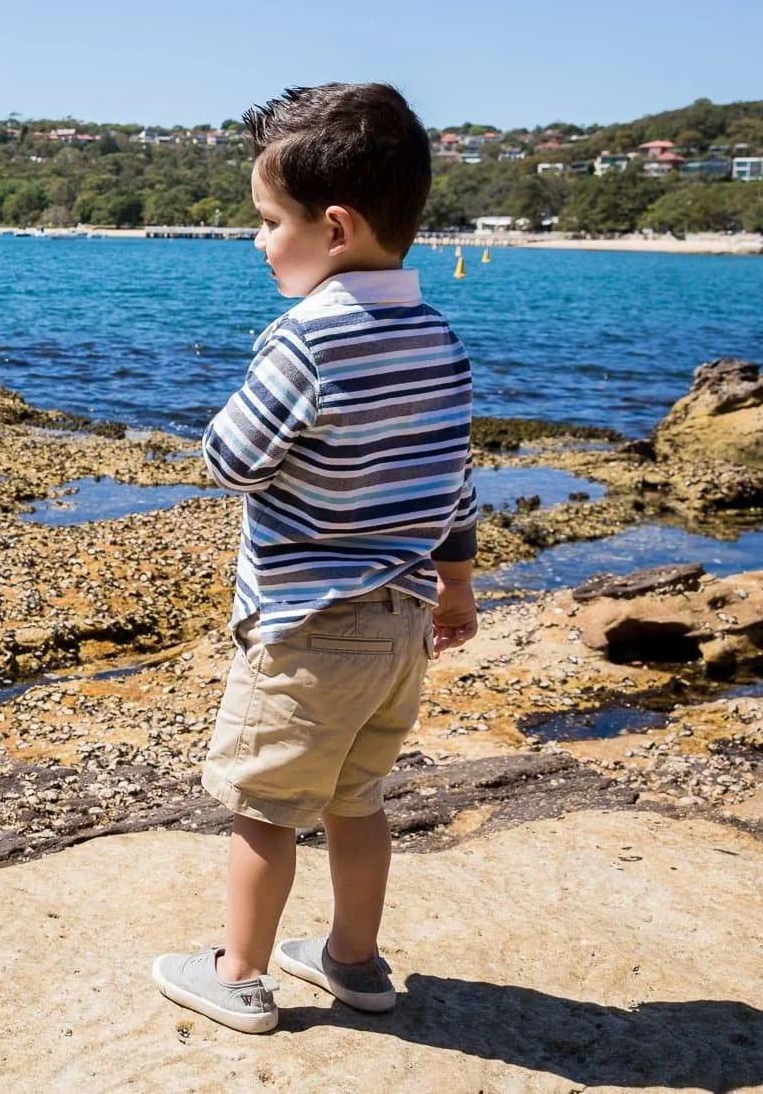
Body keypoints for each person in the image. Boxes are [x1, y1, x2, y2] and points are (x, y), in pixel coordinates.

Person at [152, 83, 478, 1034]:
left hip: (307, 628)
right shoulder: (439, 340)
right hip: (402, 624)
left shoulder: (309, 337)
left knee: (264, 807)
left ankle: (241, 974)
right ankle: (354, 959)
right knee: (357, 800)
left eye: (267, 222)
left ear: (333, 228)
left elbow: (232, 457)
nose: (259, 242)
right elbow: (456, 482)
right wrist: (457, 587)